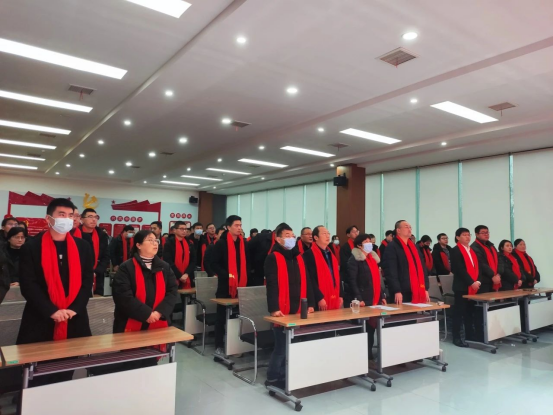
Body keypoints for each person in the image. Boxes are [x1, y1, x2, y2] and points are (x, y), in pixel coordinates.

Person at [16, 198, 94, 385]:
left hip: (73, 318)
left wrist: (74, 309)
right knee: (36, 375)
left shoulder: (83, 247)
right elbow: (28, 284)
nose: (67, 219)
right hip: (40, 318)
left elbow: (87, 282)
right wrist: (51, 311)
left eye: (70, 215)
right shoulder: (31, 247)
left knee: (66, 373)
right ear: (48, 218)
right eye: (61, 214)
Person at [112, 230, 177, 370]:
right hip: (131, 322)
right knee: (131, 366)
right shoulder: (126, 267)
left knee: (151, 364)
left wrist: (158, 313)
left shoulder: (164, 267)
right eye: (150, 240)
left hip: (157, 321)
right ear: (138, 245)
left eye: (156, 240)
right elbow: (123, 296)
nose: (155, 243)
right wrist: (147, 314)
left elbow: (172, 292)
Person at [265, 223, 315, 388]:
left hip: (299, 307)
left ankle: (288, 375)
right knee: (281, 348)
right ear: (278, 239)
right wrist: (274, 308)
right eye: (287, 235)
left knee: (294, 345)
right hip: (282, 309)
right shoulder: (273, 257)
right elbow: (271, 285)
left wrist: (310, 303)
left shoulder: (298, 257)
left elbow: (307, 281)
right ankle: (272, 378)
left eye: (292, 235)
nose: (291, 238)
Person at [212, 215, 249, 358]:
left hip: (241, 285)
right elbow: (214, 263)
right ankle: (219, 346)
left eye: (240, 225)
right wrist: (226, 275)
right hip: (225, 286)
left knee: (236, 316)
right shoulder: (221, 244)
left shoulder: (242, 243)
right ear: (228, 227)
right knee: (221, 317)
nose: (239, 228)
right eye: (236, 225)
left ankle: (234, 345)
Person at [347, 233, 385, 359]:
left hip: (375, 298)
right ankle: (363, 356)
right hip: (363, 299)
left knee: (371, 329)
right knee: (365, 329)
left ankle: (369, 355)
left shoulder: (372, 258)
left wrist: (382, 296)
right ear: (359, 245)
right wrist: (359, 298)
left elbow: (377, 281)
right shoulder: (354, 259)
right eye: (366, 241)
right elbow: (352, 281)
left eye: (370, 241)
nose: (370, 244)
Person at [381, 220, 429, 304]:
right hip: (401, 291)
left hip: (417, 288)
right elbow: (391, 271)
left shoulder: (414, 247)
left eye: (410, 227)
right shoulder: (392, 247)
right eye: (406, 227)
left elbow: (422, 268)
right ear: (398, 230)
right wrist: (397, 290)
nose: (409, 229)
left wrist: (425, 288)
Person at [451, 227, 481, 347]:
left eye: (469, 235)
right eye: (464, 235)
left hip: (473, 286)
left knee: (470, 312)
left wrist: (477, 281)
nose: (467, 237)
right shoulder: (455, 250)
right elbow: (459, 269)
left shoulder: (472, 250)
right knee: (459, 313)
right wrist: (471, 282)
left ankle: (470, 335)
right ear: (458, 237)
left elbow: (477, 267)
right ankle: (456, 337)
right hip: (461, 287)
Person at [302, 226, 343, 311]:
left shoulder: (331, 253)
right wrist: (319, 297)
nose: (327, 236)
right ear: (316, 237)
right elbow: (310, 279)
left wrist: (340, 295)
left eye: (328, 233)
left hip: (334, 295)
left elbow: (337, 276)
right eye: (324, 234)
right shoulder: (308, 255)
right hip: (318, 298)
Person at [71, 208, 110, 296]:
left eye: (96, 217)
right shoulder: (74, 233)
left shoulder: (102, 235)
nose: (94, 220)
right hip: (78, 274)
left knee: (97, 300)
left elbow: (106, 256)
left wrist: (96, 272)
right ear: (82, 219)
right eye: (90, 217)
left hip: (97, 275)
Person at [163, 221, 196, 289]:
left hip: (187, 276)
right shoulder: (169, 243)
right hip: (173, 276)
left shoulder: (189, 243)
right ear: (174, 230)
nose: (184, 231)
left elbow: (193, 260)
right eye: (181, 229)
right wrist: (179, 276)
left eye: (185, 229)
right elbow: (168, 261)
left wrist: (186, 273)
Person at [471, 225, 500, 293]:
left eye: (487, 232)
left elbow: (499, 260)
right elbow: (481, 263)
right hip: (484, 280)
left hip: (496, 278)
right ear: (476, 234)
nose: (486, 234)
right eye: (483, 233)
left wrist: (498, 274)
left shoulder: (491, 246)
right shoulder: (474, 247)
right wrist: (492, 275)